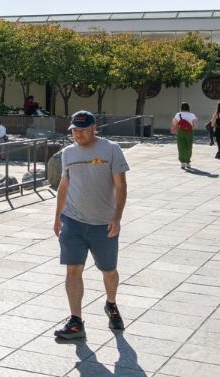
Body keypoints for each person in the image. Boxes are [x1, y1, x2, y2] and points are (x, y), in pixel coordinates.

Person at [52, 111, 129, 342]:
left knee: (108, 271)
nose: (78, 134)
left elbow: (121, 186)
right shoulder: (68, 153)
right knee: (73, 269)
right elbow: (64, 185)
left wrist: (117, 217)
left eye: (83, 129)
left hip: (103, 223)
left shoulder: (111, 149)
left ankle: (111, 304)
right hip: (73, 220)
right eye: (74, 130)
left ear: (94, 127)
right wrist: (57, 217)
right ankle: (76, 321)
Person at [171, 103, 197, 169]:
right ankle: (188, 162)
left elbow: (175, 123)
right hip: (189, 132)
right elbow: (195, 125)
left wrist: (174, 129)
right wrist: (190, 128)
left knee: (181, 146)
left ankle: (182, 162)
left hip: (180, 131)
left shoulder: (178, 114)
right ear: (188, 108)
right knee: (189, 147)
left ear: (181, 107)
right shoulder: (192, 115)